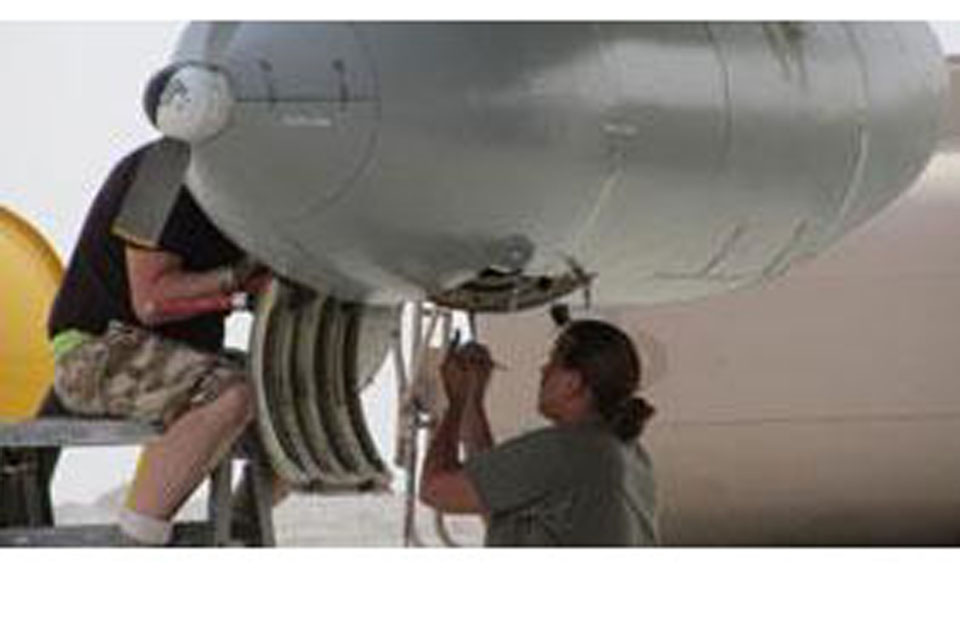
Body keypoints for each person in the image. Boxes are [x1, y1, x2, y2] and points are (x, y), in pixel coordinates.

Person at [419, 319, 659, 546]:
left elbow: (435, 489)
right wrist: (473, 397)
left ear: (573, 383)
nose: (543, 370)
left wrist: (457, 402)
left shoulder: (570, 450)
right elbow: (494, 495)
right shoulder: (626, 454)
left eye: (553, 362)